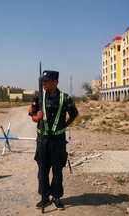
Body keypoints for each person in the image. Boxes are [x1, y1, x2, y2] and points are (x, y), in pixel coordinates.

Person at [28, 70, 78, 211]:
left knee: (57, 170)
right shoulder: (38, 97)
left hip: (58, 141)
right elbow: (32, 117)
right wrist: (37, 117)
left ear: (54, 82)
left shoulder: (65, 98)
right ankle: (44, 197)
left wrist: (65, 126)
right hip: (43, 140)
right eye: (42, 81)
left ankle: (56, 197)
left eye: (46, 81)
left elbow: (74, 114)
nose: (43, 83)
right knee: (42, 170)